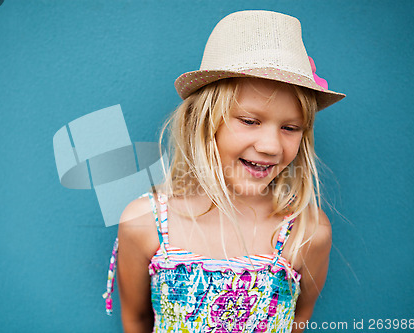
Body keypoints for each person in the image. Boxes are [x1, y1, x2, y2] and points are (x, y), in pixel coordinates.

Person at [103, 10, 345, 333]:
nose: (272, 146)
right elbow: (136, 319)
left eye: (290, 127)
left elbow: (297, 321)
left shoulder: (307, 233)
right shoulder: (144, 224)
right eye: (249, 121)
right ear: (204, 122)